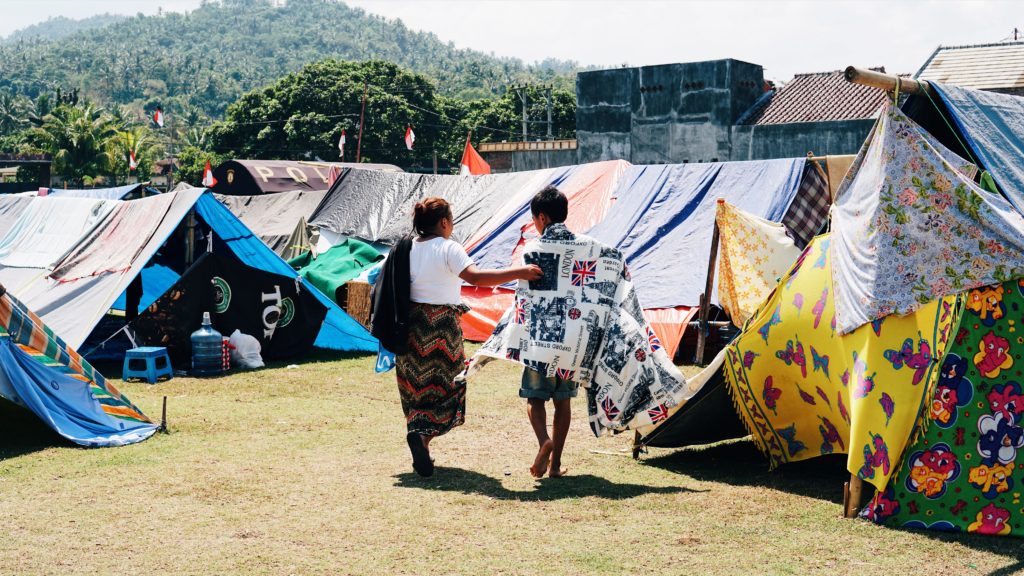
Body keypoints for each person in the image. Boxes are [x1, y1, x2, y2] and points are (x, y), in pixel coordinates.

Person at [397, 197, 542, 477]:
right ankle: (423, 437)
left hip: (410, 325)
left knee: (416, 387)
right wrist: (519, 272)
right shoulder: (449, 248)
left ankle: (419, 435)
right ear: (443, 222)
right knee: (451, 384)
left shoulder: (407, 248)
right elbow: (476, 278)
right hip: (441, 326)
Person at [522, 186, 577, 478]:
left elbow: (523, 297)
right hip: (572, 338)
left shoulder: (532, 250)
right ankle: (555, 466)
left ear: (541, 218)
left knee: (535, 397)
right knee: (563, 400)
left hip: (540, 337)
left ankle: (545, 441)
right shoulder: (585, 247)